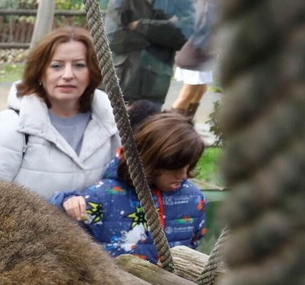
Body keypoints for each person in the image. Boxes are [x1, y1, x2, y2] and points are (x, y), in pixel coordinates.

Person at [0, 27, 121, 198]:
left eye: (79, 65)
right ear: (40, 72)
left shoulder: (110, 123)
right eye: (57, 66)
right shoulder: (13, 126)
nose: (68, 75)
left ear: (92, 72)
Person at [52, 112, 207, 263]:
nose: (184, 176)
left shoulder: (193, 199)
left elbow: (194, 245)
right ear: (152, 162)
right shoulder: (103, 196)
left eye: (189, 166)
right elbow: (55, 235)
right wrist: (65, 201)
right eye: (176, 169)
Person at [107, 0, 193, 106]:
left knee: (148, 130)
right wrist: (163, 34)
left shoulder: (181, 0)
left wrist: (140, 25)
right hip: (119, 87)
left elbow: (184, 35)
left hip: (155, 91)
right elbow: (115, 39)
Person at [172, 0, 221, 116]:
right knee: (186, 95)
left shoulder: (203, 0)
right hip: (195, 56)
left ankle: (186, 121)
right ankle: (168, 128)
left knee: (200, 90)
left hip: (197, 55)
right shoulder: (209, 7)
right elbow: (201, 35)